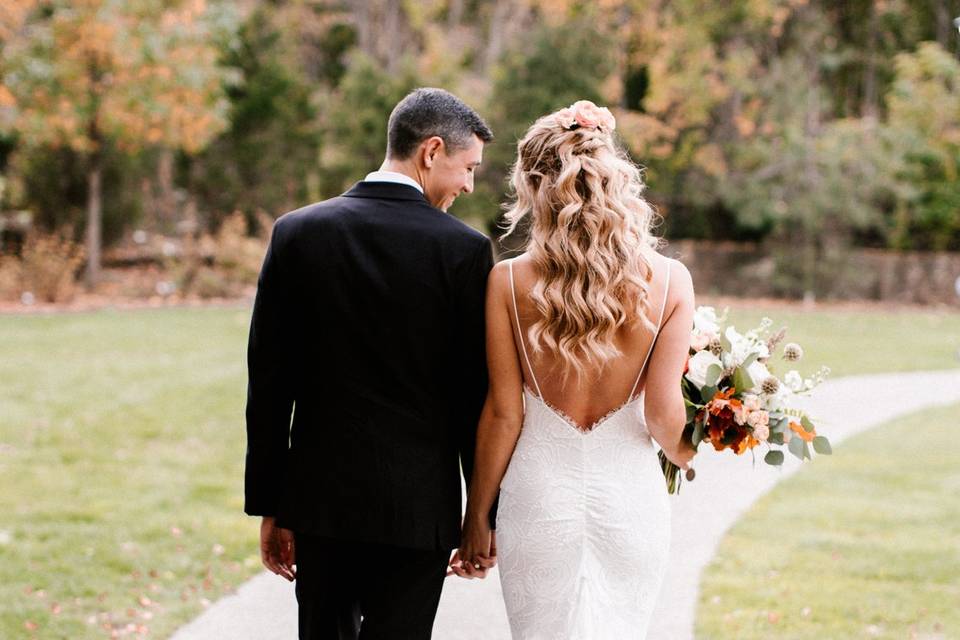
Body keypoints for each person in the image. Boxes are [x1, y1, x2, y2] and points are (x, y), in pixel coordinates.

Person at [244, 87, 497, 640]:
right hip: (418, 512)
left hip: (320, 505)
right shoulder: (464, 252)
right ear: (431, 151)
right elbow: (473, 397)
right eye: (468, 167)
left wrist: (271, 503)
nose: (469, 185)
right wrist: (481, 515)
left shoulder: (297, 233)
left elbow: (268, 384)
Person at [456, 100, 697, 638]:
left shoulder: (506, 282)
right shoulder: (670, 281)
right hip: (630, 505)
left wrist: (476, 519)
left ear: (532, 187)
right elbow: (663, 418)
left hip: (537, 502)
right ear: (614, 179)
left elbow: (502, 414)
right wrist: (702, 448)